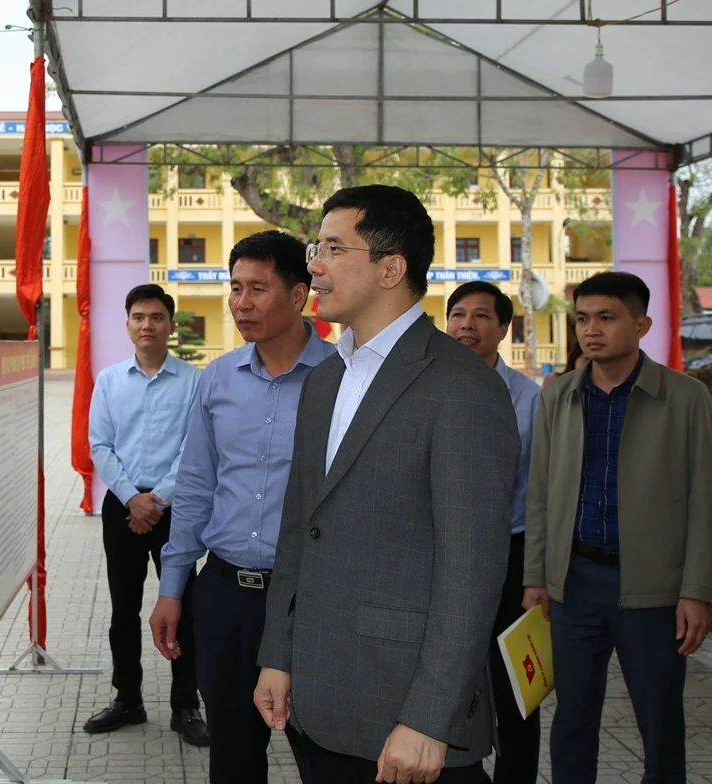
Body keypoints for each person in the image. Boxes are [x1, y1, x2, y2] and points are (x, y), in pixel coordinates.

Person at [255, 184, 520, 784]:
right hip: (317, 698)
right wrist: (278, 654)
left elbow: (472, 572)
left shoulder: (462, 388)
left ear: (390, 269)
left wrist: (429, 718)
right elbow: (299, 532)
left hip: (407, 716)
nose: (313, 266)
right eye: (315, 249)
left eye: (332, 249)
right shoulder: (324, 379)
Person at [523, 271, 712, 784]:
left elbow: (703, 503)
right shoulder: (559, 396)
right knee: (572, 719)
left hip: (652, 589)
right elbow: (540, 494)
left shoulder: (685, 397)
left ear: (641, 324)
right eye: (583, 319)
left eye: (606, 318)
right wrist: (537, 577)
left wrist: (696, 590)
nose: (591, 330)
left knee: (659, 721)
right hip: (575, 583)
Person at [149, 230, 331, 783]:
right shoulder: (219, 378)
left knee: (324, 756)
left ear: (298, 295)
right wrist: (172, 588)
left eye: (257, 288)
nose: (241, 303)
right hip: (225, 596)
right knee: (231, 758)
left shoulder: (342, 379)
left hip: (311, 600)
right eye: (234, 288)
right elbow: (195, 487)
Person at [85, 284, 208, 746]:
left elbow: (196, 448)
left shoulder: (193, 381)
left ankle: (186, 705)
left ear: (170, 325)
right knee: (124, 609)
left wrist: (157, 500)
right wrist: (131, 498)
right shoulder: (109, 380)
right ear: (127, 325)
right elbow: (100, 445)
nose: (147, 325)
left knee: (183, 607)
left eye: (157, 317)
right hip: (122, 508)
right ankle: (128, 699)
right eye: (139, 317)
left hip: (174, 509)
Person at [444, 280, 542, 784]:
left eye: (481, 316)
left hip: (511, 557)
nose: (467, 325)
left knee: (515, 687)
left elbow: (544, 492)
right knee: (446, 677)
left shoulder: (530, 399)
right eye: (458, 314)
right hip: (443, 556)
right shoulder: (427, 389)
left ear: (503, 328)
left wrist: (537, 573)